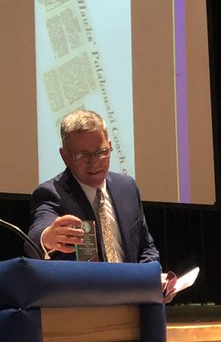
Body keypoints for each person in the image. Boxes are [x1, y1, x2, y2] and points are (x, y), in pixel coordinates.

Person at [27, 109, 177, 301]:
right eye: (83, 155)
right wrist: (47, 237)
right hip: (88, 307)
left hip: (135, 302)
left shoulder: (127, 188)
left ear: (110, 146)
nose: (95, 162)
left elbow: (145, 246)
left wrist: (153, 280)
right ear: (65, 156)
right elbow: (36, 234)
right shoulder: (52, 193)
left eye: (101, 152)